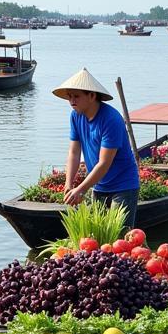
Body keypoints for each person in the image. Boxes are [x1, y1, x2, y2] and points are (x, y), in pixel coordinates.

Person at [53, 68, 140, 228]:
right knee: (98, 234)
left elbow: (104, 163)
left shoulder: (111, 119)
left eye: (77, 96)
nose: (72, 101)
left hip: (123, 185)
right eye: (70, 96)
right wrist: (68, 184)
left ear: (92, 96)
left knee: (119, 235)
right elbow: (74, 153)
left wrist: (81, 189)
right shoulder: (75, 115)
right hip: (98, 185)